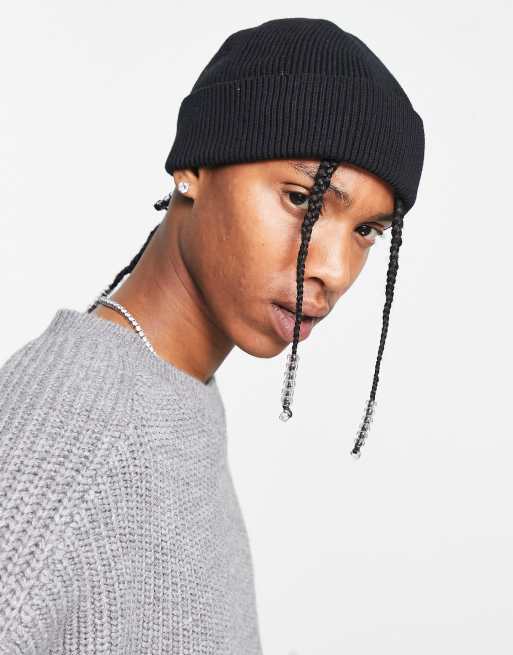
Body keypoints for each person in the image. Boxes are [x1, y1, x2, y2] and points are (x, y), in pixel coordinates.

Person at [0, 17, 425, 654]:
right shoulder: (69, 434)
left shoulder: (172, 394)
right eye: (302, 200)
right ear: (194, 167)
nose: (335, 269)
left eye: (367, 231)